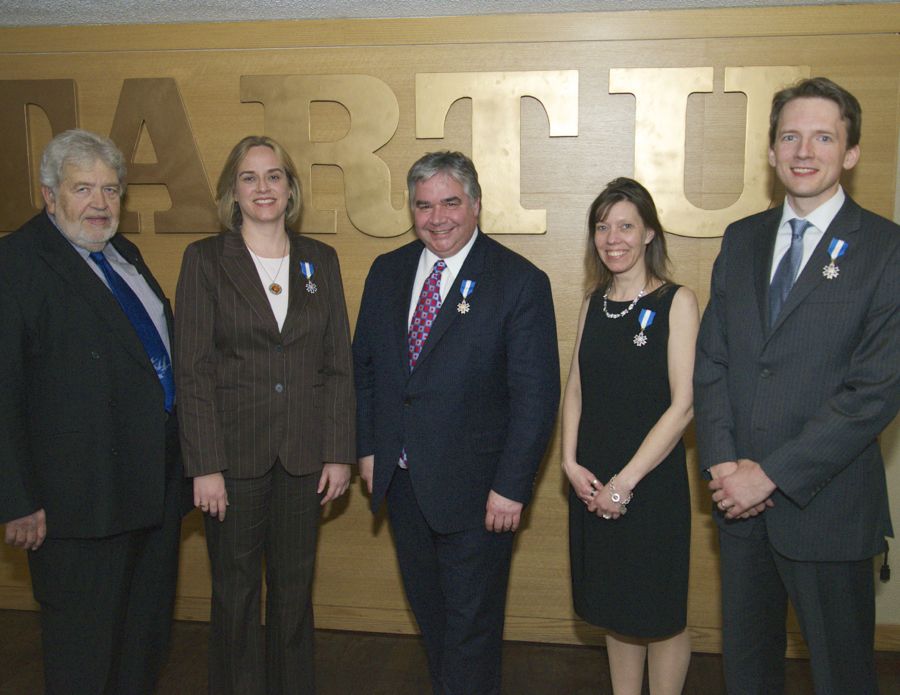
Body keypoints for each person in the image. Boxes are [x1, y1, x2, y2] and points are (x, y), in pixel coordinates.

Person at [694, 77, 899, 694]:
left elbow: (875, 391)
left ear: (851, 152)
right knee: (748, 674)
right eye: (790, 136)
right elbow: (714, 364)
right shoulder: (742, 238)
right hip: (739, 508)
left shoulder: (886, 249)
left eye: (822, 137)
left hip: (827, 509)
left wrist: (770, 473)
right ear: (771, 149)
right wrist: (726, 464)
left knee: (843, 678)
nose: (803, 151)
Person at [353, 150, 559, 695]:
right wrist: (369, 451)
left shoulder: (518, 281)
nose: (437, 218)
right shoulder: (387, 271)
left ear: (475, 205)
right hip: (401, 485)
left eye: (450, 202)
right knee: (435, 621)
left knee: (472, 629)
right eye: (424, 205)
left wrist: (512, 488)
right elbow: (366, 369)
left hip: (480, 496)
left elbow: (536, 398)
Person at [0, 129, 189, 694]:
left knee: (141, 644)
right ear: (48, 194)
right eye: (83, 188)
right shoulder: (14, 263)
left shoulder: (119, 251)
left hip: (149, 493)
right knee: (83, 655)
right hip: (74, 507)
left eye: (111, 190)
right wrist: (16, 498)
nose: (100, 204)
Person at [175, 135, 355, 694]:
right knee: (234, 596)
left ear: (290, 188)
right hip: (233, 461)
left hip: (304, 458)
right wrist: (204, 465)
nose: (263, 188)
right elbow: (193, 369)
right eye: (249, 178)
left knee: (295, 593)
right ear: (233, 191)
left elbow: (337, 365)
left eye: (274, 176)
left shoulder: (320, 261)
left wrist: (338, 451)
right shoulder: (206, 260)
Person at [561, 178, 698, 695]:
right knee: (616, 609)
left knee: (659, 613)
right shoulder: (594, 302)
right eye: (602, 226)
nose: (612, 237)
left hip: (650, 482)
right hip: (592, 481)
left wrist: (625, 484)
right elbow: (575, 386)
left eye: (625, 225)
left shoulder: (676, 301)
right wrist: (571, 464)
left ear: (649, 234)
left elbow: (683, 406)